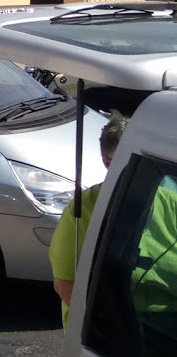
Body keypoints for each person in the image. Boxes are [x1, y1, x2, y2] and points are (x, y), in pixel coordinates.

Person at [50, 111, 128, 325]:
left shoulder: (168, 198)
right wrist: (105, 328)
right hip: (109, 330)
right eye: (127, 161)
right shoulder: (83, 208)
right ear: (107, 162)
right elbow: (65, 284)